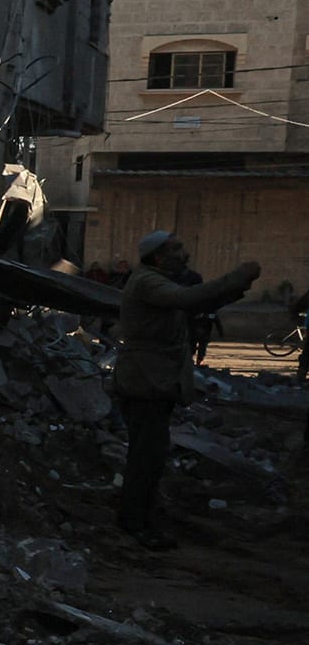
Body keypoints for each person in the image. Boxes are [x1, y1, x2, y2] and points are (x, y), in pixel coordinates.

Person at [109, 230, 259, 547]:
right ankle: (135, 524)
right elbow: (187, 300)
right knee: (145, 457)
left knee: (150, 455)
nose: (183, 254)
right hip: (145, 382)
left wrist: (237, 287)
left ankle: (139, 517)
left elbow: (195, 303)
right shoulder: (148, 281)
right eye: (176, 249)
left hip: (155, 381)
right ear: (158, 256)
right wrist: (235, 277)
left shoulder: (159, 280)